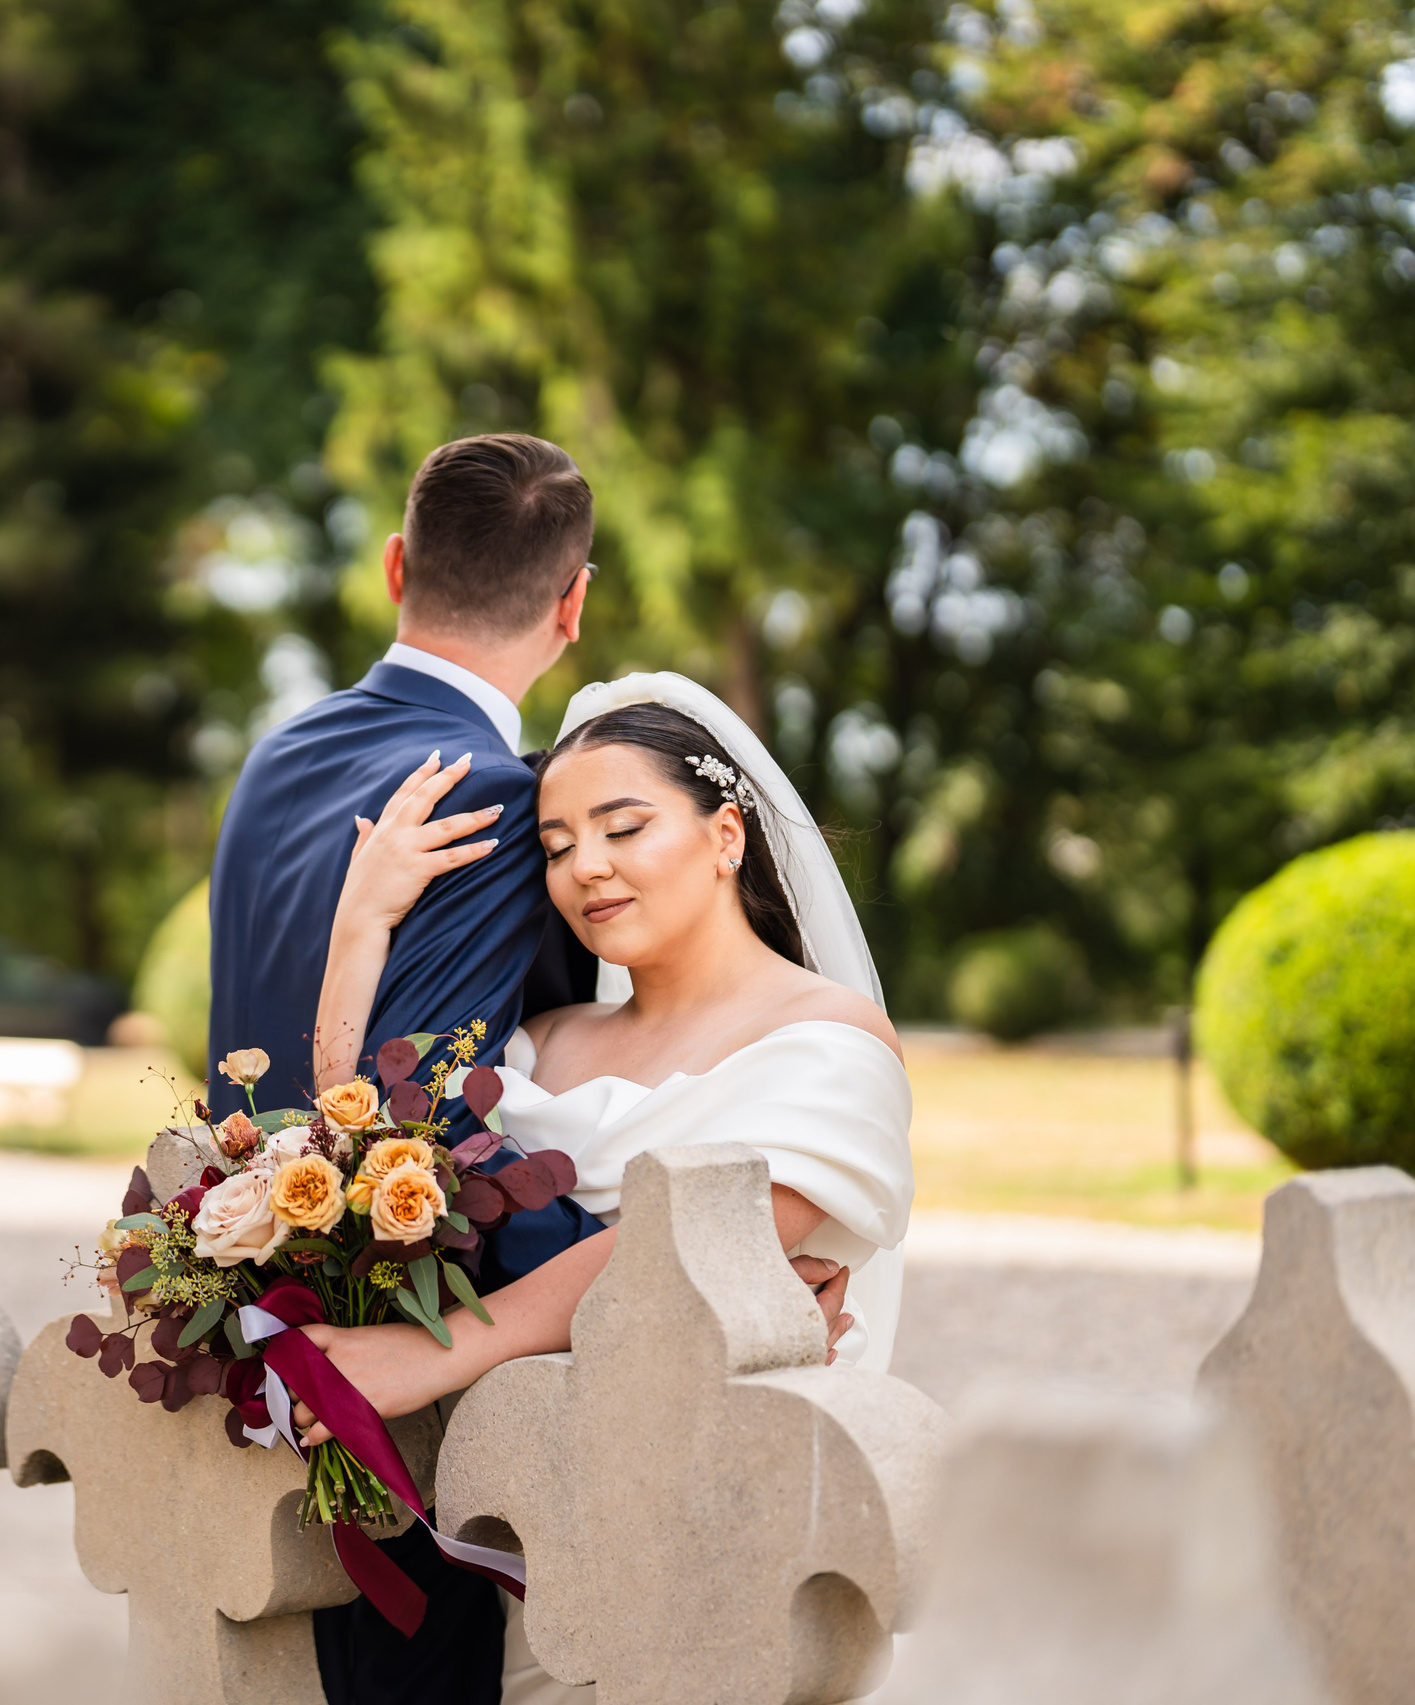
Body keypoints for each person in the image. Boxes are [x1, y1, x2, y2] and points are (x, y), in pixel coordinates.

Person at [301, 671, 915, 1704]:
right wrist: (360, 924)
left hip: (695, 1537)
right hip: (512, 1526)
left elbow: (693, 1246)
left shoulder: (827, 1041)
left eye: (623, 827)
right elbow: (358, 1154)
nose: (586, 867)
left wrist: (421, 1351)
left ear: (726, 835)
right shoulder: (540, 1043)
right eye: (554, 846)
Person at [206, 434, 609, 1705]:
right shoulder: (493, 795)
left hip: (260, 1324)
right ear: (574, 602)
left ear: (395, 566)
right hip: (409, 1387)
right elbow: (418, 1124)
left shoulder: (278, 757)